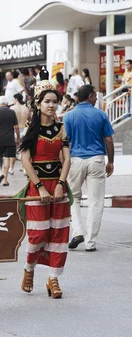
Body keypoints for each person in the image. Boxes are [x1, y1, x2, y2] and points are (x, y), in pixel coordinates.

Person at [18, 80, 71, 299]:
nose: (51, 105)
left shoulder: (61, 129)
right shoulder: (30, 131)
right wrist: (40, 187)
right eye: (47, 102)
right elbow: (26, 161)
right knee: (38, 234)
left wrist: (60, 184)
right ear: (38, 104)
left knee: (59, 234)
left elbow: (67, 159)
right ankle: (29, 269)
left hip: (58, 186)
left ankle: (53, 279)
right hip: (36, 187)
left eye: (55, 102)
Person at [64, 85, 114, 252]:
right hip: (96, 160)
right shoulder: (100, 114)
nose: (96, 99)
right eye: (95, 96)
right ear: (91, 96)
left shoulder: (69, 116)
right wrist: (111, 161)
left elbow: (65, 142)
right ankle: (90, 243)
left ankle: (78, 231)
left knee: (73, 198)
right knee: (96, 202)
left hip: (75, 160)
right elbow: (108, 140)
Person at [0, 96, 19, 187]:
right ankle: (5, 180)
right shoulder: (12, 112)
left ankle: (0, 172)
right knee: (7, 158)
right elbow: (16, 127)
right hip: (9, 139)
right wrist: (18, 138)